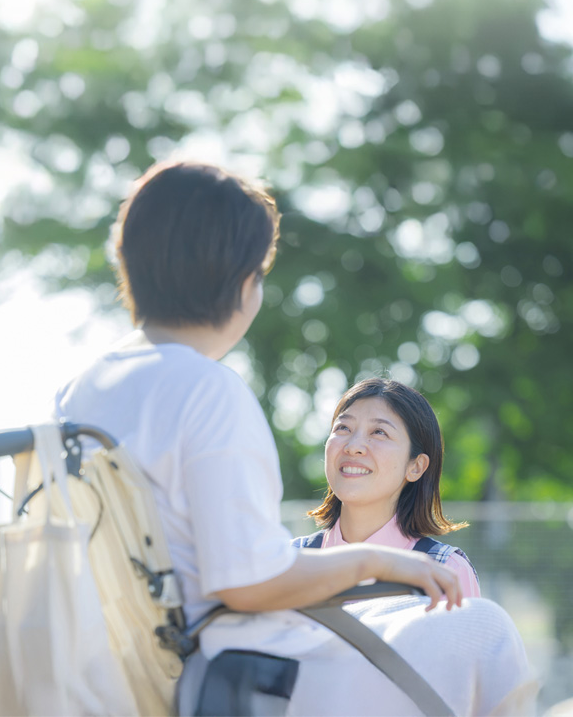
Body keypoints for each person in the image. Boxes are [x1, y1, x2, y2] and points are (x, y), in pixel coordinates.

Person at [54, 160, 534, 716]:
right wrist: (373, 563)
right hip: (230, 673)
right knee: (486, 629)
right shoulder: (209, 391)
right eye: (260, 273)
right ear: (239, 282)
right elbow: (246, 584)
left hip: (119, 666)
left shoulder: (78, 393)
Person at [293, 379, 480, 599]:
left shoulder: (447, 572)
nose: (353, 447)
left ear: (416, 466)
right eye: (343, 427)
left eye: (379, 432)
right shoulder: (287, 563)